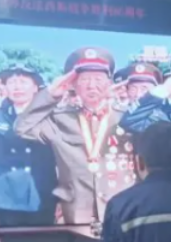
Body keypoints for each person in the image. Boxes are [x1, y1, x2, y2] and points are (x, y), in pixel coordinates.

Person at [15, 48, 132, 224]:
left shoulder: (125, 117)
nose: (91, 85)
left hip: (121, 207)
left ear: (109, 82)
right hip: (76, 209)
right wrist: (50, 95)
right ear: (74, 85)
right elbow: (22, 128)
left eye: (98, 79)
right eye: (84, 79)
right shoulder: (61, 119)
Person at [0, 65, 58, 227]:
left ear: (35, 88)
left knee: (44, 241)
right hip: (6, 195)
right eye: (11, 82)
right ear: (5, 88)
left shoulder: (50, 114)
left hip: (40, 192)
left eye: (23, 82)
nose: (17, 87)